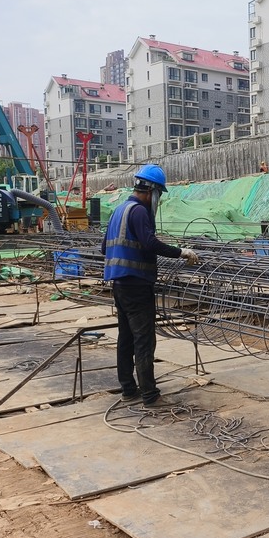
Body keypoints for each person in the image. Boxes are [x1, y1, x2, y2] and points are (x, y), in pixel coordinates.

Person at [102, 164, 198, 406]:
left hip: (119, 284)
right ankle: (150, 395)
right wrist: (180, 252)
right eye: (158, 195)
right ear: (151, 191)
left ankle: (128, 389)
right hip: (136, 285)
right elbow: (149, 243)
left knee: (126, 338)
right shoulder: (139, 211)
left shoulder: (119, 210)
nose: (158, 200)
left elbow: (104, 248)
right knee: (144, 340)